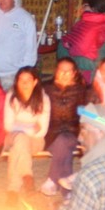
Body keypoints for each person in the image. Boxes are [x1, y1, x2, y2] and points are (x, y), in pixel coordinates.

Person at [40, 58, 85, 197]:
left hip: (73, 133)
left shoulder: (81, 91)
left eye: (68, 71)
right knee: (64, 150)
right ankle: (67, 191)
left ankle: (52, 179)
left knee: (64, 141)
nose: (64, 73)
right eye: (61, 70)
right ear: (56, 71)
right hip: (50, 133)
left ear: (74, 73)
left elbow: (86, 112)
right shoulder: (46, 88)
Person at [3, 66, 50, 196]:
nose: (24, 83)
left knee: (19, 145)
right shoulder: (11, 96)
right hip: (12, 138)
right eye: (21, 80)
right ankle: (27, 176)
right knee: (20, 139)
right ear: (16, 81)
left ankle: (13, 190)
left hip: (36, 141)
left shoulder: (43, 99)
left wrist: (18, 126)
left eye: (28, 80)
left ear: (35, 82)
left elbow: (42, 131)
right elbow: (8, 126)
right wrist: (30, 127)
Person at [60, 0, 105, 81]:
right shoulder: (80, 26)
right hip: (72, 76)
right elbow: (63, 46)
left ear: (96, 9)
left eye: (85, 6)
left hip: (95, 80)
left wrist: (72, 61)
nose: (82, 9)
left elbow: (101, 62)